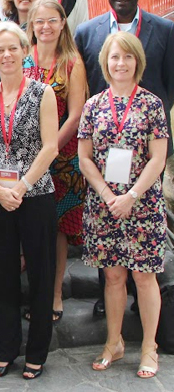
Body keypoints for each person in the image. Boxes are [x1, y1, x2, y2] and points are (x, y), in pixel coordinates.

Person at [75, 0, 174, 317]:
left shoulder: (165, 30)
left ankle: (143, 293)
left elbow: (169, 84)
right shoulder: (88, 32)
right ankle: (110, 294)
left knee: (140, 224)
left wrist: (145, 119)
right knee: (108, 224)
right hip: (101, 150)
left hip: (147, 147)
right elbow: (84, 82)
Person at [77, 32, 168, 379]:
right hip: (104, 205)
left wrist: (130, 197)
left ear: (138, 62)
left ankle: (149, 347)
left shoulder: (151, 104)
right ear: (106, 62)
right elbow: (85, 158)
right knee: (113, 277)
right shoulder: (94, 105)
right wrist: (107, 195)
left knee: (144, 278)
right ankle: (114, 342)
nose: (120, 63)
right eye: (115, 57)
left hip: (142, 204)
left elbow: (157, 159)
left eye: (127, 57)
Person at [0, 22, 58, 380]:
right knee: (2, 274)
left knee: (40, 273)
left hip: (35, 194)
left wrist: (20, 187)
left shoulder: (43, 93)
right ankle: (5, 350)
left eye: (12, 48)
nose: (6, 55)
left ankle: (37, 352)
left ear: (24, 51)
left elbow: (50, 147)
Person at [23, 0, 88, 322]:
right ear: (31, 25)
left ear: (62, 23)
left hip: (62, 159)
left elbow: (76, 115)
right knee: (30, 226)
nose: (45, 27)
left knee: (58, 228)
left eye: (52, 20)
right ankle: (33, 289)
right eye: (39, 21)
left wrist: (48, 149)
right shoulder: (22, 58)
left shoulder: (71, 61)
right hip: (22, 158)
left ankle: (55, 293)